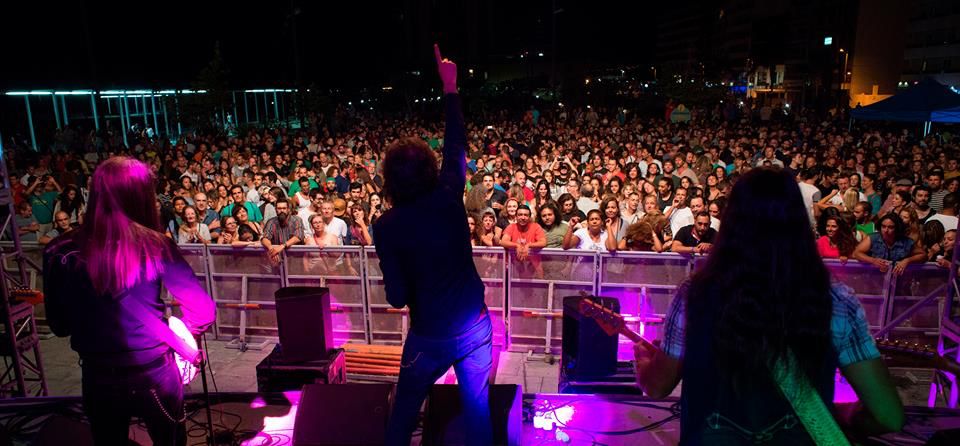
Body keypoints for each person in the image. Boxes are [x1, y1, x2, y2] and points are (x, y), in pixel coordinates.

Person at [633, 168, 904, 444]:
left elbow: (657, 386)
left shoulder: (695, 296)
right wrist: (840, 418)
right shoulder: (836, 301)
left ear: (730, 223)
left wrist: (643, 364)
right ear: (798, 223)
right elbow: (887, 415)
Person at [42, 157, 215, 446]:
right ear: (140, 197)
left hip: (98, 375)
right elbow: (204, 311)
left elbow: (59, 325)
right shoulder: (156, 245)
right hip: (155, 373)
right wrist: (180, 332)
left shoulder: (60, 251)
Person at [375, 45, 493, 446]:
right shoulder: (447, 193)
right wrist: (451, 88)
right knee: (478, 414)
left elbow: (396, 297)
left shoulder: (387, 226)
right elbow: (457, 146)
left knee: (404, 415)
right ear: (429, 168)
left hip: (429, 336)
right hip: (475, 325)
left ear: (389, 180)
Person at [853, 213, 927, 275]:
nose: (886, 230)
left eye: (890, 227)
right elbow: (857, 253)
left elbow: (923, 255)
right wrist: (872, 260)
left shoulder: (906, 242)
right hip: (874, 278)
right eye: (883, 226)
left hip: (898, 280)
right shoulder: (872, 238)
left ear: (897, 228)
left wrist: (907, 260)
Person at [260, 200, 304, 265]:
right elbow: (265, 238)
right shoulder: (271, 222)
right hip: (278, 258)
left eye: (284, 208)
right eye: (279, 208)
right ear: (275, 210)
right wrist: (272, 249)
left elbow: (299, 236)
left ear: (288, 209)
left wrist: (283, 246)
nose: (282, 211)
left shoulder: (297, 220)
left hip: (294, 258)